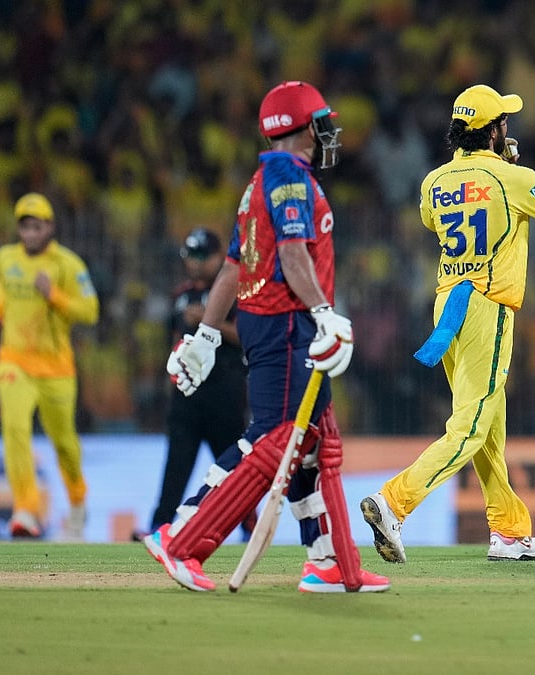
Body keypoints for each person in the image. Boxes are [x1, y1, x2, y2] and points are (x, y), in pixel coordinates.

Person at [143, 81, 389, 593]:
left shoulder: (262, 179)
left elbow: (233, 265)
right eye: (322, 122)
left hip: (272, 319)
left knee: (319, 445)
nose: (329, 132)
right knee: (276, 438)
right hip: (284, 321)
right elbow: (295, 257)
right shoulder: (287, 175)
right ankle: (180, 537)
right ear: (302, 128)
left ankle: (331, 563)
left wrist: (208, 336)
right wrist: (324, 311)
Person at [360, 84, 535, 563]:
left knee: (487, 428)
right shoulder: (512, 179)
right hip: (486, 308)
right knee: (471, 427)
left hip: (447, 306)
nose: (508, 128)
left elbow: (434, 222)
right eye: (504, 122)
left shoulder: (433, 181)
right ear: (494, 131)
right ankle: (393, 503)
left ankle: (510, 533)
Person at [0, 192, 100, 540]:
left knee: (64, 442)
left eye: (37, 227)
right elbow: (3, 293)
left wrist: (55, 295)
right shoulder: (5, 258)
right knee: (15, 428)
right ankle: (26, 510)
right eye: (25, 227)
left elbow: (91, 312)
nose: (30, 234)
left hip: (56, 368)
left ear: (50, 226)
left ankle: (78, 502)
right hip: (14, 361)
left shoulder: (68, 264)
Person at [145, 227, 249, 535]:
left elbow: (247, 336)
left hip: (225, 397)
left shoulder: (235, 290)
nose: (196, 263)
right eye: (191, 255)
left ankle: (250, 528)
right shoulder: (180, 295)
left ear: (220, 256)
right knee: (175, 470)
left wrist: (209, 320)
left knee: (233, 472)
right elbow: (174, 341)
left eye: (203, 256)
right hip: (186, 399)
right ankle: (157, 529)